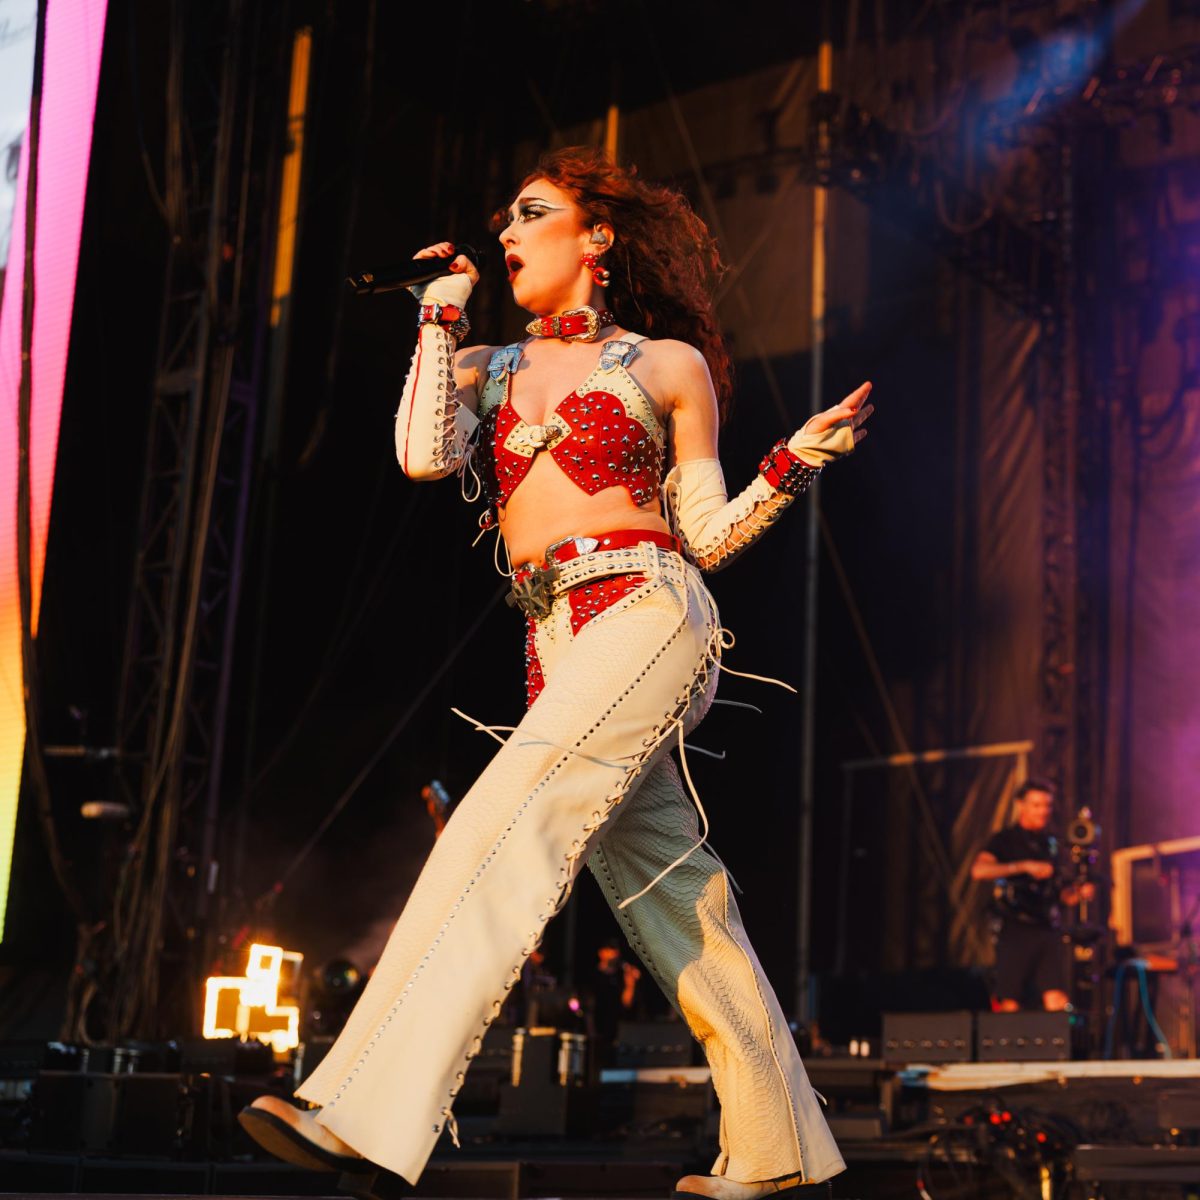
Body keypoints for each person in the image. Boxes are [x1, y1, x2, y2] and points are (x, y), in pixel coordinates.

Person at [240, 146, 873, 1199]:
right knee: (681, 904)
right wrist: (439, 318)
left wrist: (792, 461)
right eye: (503, 219)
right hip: (555, 643)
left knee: (505, 819)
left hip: (650, 612)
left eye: (531, 213)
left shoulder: (665, 365)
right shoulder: (486, 363)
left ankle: (364, 1104)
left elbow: (705, 535)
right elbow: (421, 455)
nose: (506, 232)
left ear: (596, 238)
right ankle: (780, 1150)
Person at [970, 778, 1094, 1012]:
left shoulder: (1051, 845)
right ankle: (1007, 1046)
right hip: (1016, 927)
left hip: (1047, 928)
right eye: (1036, 805)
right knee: (1009, 999)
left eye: (1046, 805)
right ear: (1021, 805)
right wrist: (1023, 866)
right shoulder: (1005, 840)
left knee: (1057, 998)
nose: (1043, 811)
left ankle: (1059, 1045)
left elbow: (1062, 895)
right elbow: (978, 870)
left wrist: (1078, 893)